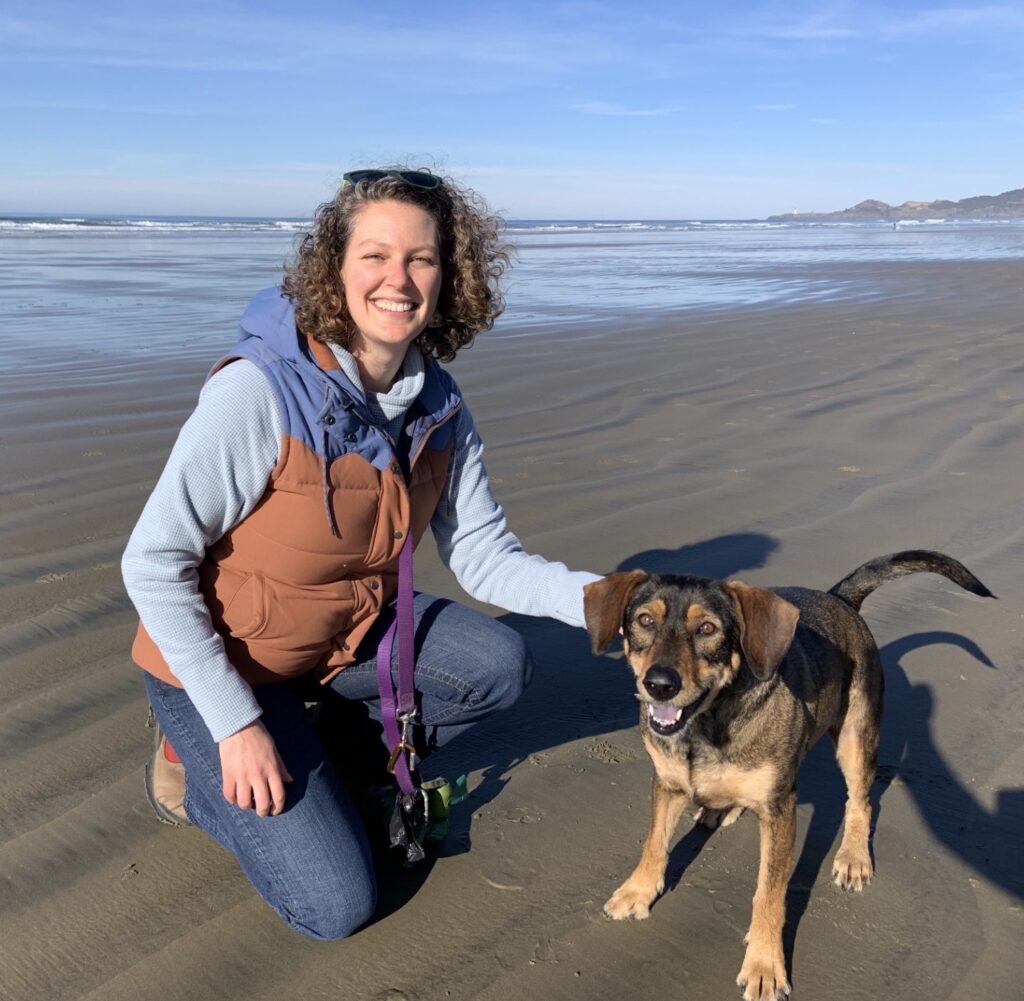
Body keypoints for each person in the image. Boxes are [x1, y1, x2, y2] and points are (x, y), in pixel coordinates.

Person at [121, 168, 601, 940]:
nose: (398, 279)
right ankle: (191, 761)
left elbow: (482, 556)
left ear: (450, 279)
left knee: (499, 664)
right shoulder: (260, 392)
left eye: (422, 259)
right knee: (335, 905)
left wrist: (613, 599)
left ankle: (311, 751)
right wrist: (237, 726)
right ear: (334, 268)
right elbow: (151, 561)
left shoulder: (439, 406)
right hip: (219, 664)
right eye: (375, 255)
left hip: (340, 640)